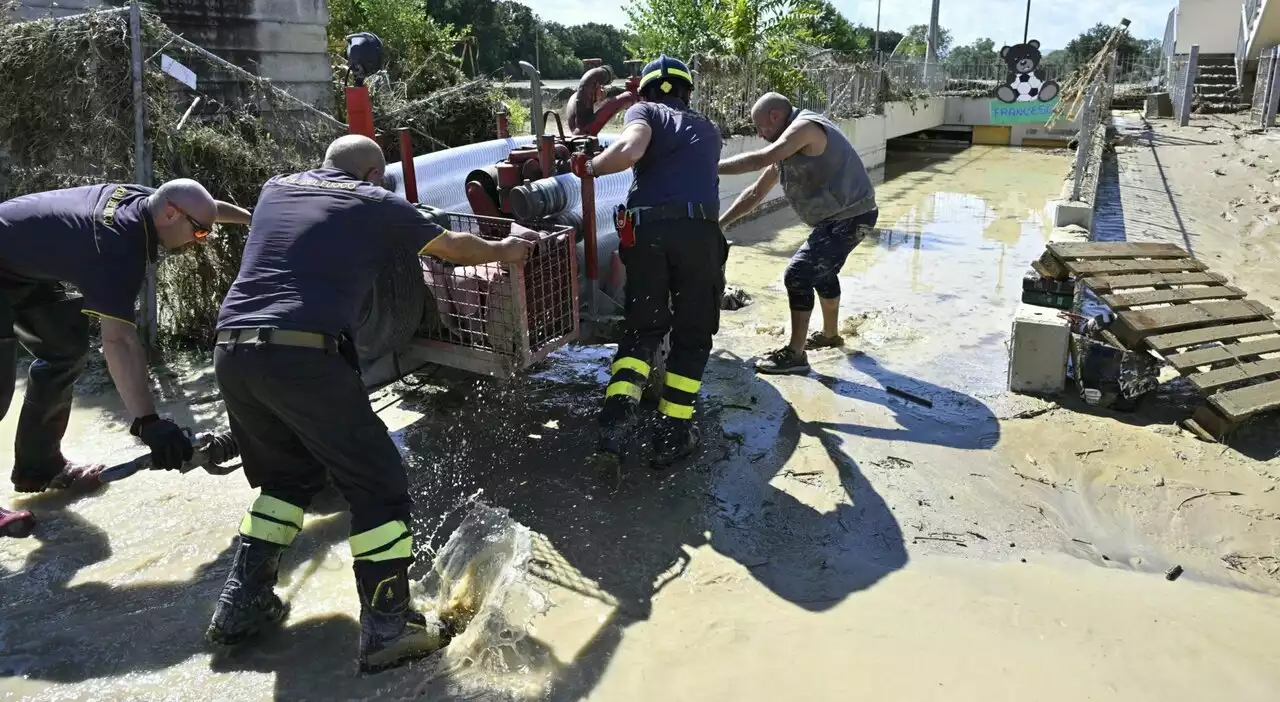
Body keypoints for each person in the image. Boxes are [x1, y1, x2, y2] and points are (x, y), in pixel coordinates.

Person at [205, 134, 535, 674]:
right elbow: (451, 247)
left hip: (234, 352)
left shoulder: (275, 188)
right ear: (374, 173)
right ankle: (388, 628)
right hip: (305, 357)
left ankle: (241, 604)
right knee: (379, 487)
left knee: (286, 483)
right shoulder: (376, 199)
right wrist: (506, 249)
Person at [0, 179, 251, 493]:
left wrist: (256, 219)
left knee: (64, 351)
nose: (202, 240)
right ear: (172, 215)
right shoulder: (117, 248)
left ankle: (38, 468)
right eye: (200, 231)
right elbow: (118, 341)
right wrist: (147, 422)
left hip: (19, 267)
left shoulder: (147, 201)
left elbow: (206, 207)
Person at [574, 55, 726, 466]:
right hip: (698, 235)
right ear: (687, 92)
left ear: (644, 92)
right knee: (692, 334)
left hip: (646, 234)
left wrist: (588, 166)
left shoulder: (644, 110)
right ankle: (672, 434)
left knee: (643, 329)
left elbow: (631, 148)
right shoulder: (708, 128)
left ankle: (614, 426)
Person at [718, 92, 879, 375]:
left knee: (798, 273)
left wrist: (709, 167)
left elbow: (761, 158)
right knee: (822, 272)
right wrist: (721, 223)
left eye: (761, 127)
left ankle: (795, 354)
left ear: (776, 116)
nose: (760, 133)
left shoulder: (805, 128)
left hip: (852, 215)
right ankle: (830, 335)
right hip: (837, 219)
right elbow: (756, 193)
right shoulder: (788, 150)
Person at [564, 66, 613, 135]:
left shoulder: (577, 97)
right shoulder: (578, 98)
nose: (603, 90)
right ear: (597, 86)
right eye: (601, 87)